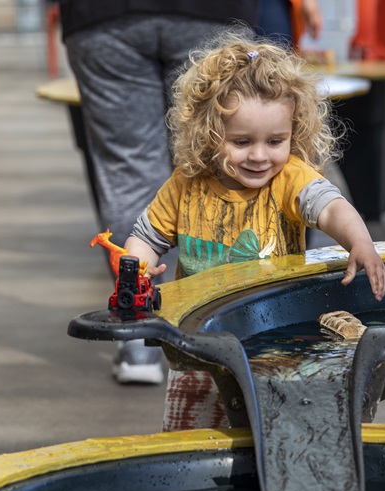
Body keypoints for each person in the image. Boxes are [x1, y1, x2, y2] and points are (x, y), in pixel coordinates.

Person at [124, 31, 385, 431]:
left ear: (293, 134)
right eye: (242, 141)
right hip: (198, 345)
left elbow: (331, 207)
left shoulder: (289, 179)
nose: (260, 156)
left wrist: (359, 241)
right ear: (209, 134)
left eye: (275, 141)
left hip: (274, 343)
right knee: (191, 435)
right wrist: (137, 269)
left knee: (272, 434)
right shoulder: (186, 184)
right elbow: (147, 237)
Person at [58, 1, 260, 384]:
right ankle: (226, 334)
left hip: (102, 17)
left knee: (128, 168)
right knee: (225, 162)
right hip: (213, 12)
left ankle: (138, 341)